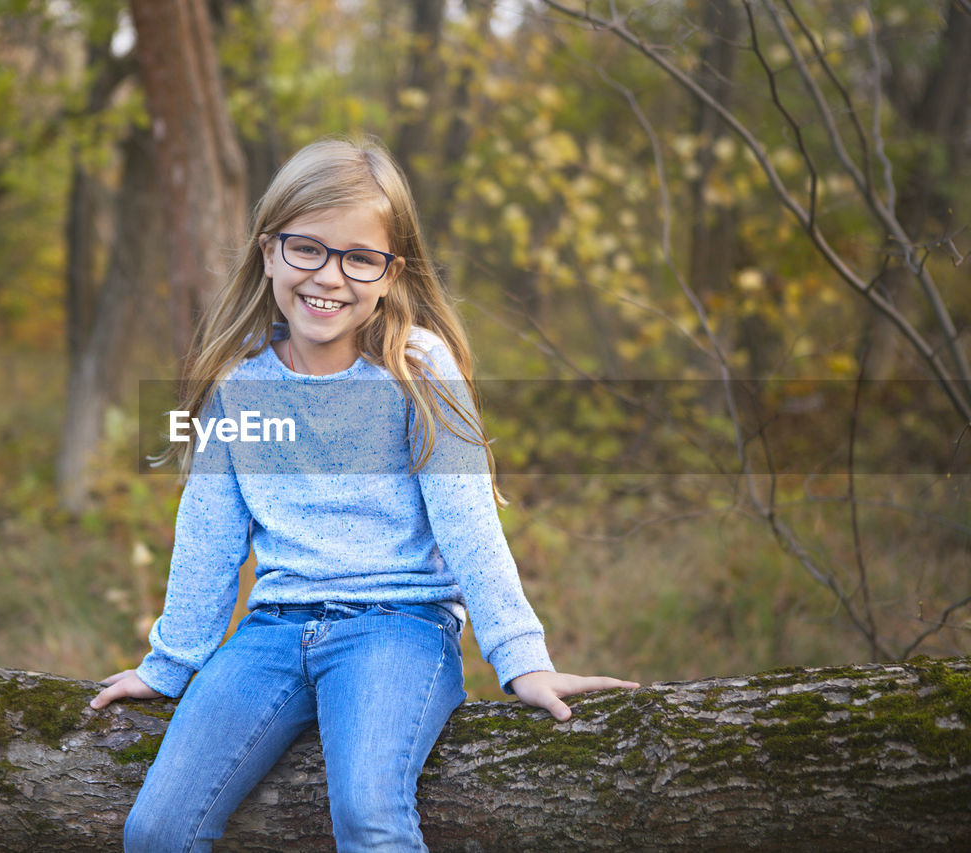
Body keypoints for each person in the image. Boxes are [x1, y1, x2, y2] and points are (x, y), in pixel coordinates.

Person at [90, 136, 638, 852]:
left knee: (368, 812)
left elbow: (468, 524)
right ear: (268, 251)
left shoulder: (417, 367)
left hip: (398, 627)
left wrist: (522, 659)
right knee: (156, 827)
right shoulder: (240, 381)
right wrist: (166, 664)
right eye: (307, 248)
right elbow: (209, 533)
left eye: (359, 257)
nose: (330, 276)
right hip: (274, 631)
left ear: (390, 271)